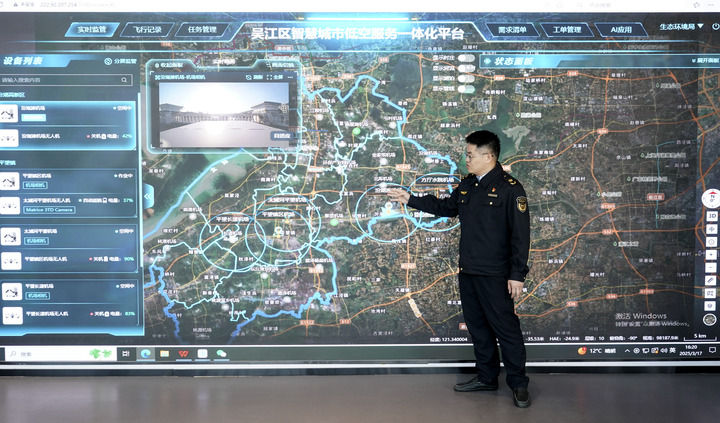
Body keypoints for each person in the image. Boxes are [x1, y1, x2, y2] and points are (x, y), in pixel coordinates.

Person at [387, 129, 531, 408]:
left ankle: (519, 384)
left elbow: (520, 235)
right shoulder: (468, 185)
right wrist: (410, 199)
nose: (466, 159)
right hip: (468, 271)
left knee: (506, 330)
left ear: (489, 156)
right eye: (467, 154)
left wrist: (517, 275)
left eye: (470, 155)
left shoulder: (511, 189)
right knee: (478, 329)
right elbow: (446, 207)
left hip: (496, 274)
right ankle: (487, 378)